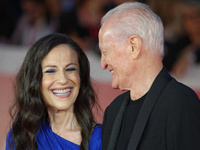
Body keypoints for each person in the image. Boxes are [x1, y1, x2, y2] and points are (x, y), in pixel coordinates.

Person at [98, 1, 200, 150]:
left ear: (134, 46)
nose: (103, 64)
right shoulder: (113, 111)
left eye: (106, 52)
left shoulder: (180, 103)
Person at [6, 33, 101, 150]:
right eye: (50, 71)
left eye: (70, 69)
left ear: (81, 77)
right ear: (35, 80)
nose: (63, 80)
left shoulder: (102, 138)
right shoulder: (20, 137)